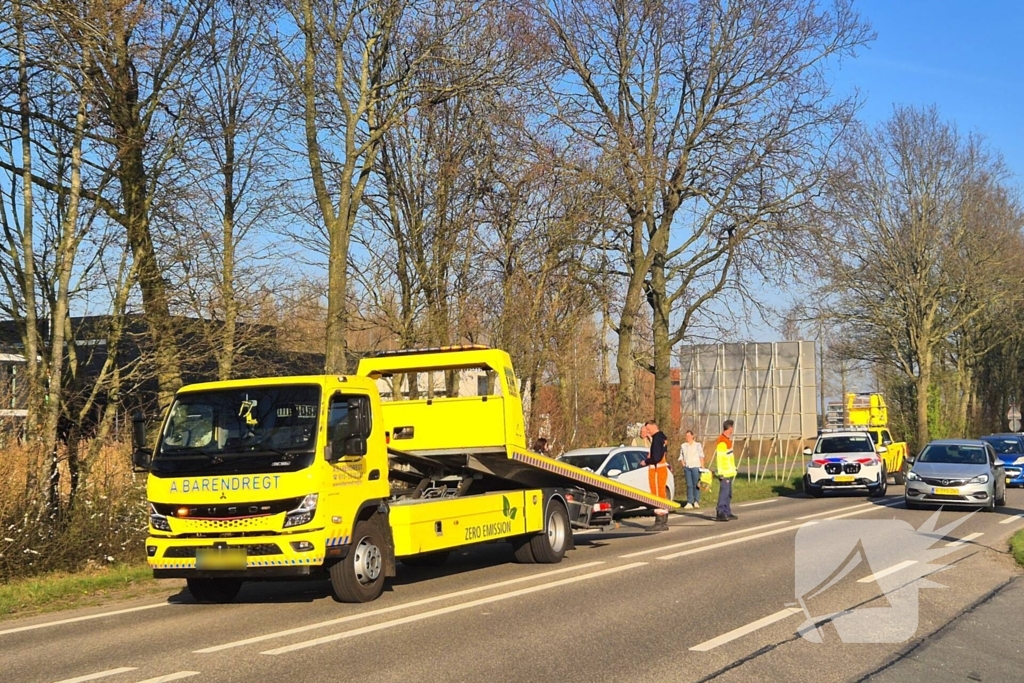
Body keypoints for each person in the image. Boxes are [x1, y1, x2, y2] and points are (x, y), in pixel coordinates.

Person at [641, 420, 671, 531]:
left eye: (648, 429)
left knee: (657, 495)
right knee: (661, 494)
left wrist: (647, 461)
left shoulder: (657, 439)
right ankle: (663, 521)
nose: (647, 432)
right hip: (660, 469)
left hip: (657, 470)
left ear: (654, 427)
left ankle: (660, 521)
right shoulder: (662, 437)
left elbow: (656, 457)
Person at [714, 419, 738, 522]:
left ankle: (727, 511)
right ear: (730, 428)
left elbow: (729, 457)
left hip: (729, 472)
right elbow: (720, 458)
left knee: (728, 494)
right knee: (724, 493)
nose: (733, 429)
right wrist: (721, 473)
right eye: (732, 427)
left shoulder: (727, 440)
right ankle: (720, 512)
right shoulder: (722, 441)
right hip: (724, 473)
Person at [678, 430, 705, 509]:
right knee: (689, 485)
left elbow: (701, 455)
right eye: (686, 436)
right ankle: (689, 501)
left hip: (696, 466)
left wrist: (702, 466)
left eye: (689, 436)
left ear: (693, 436)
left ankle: (696, 501)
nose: (688, 438)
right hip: (688, 467)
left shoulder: (697, 445)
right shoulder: (683, 445)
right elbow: (681, 456)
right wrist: (683, 464)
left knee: (696, 484)